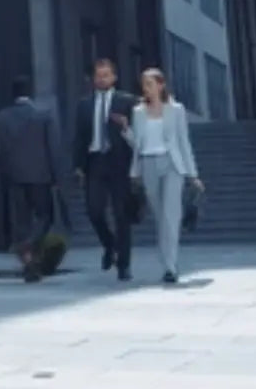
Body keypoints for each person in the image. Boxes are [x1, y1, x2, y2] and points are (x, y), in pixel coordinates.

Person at [121, 68, 203, 283]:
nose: (146, 88)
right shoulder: (138, 111)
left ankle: (170, 266)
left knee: (170, 215)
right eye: (144, 84)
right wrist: (126, 132)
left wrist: (192, 173)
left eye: (150, 84)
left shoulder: (176, 110)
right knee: (160, 216)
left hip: (171, 164)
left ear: (161, 85)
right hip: (148, 163)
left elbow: (183, 142)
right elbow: (138, 144)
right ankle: (167, 260)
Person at [0, 76, 65, 282]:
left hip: (15, 176)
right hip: (41, 176)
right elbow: (53, 148)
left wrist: (5, 174)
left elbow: (0, 151)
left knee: (21, 222)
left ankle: (30, 265)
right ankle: (30, 244)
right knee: (45, 217)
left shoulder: (2, 118)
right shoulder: (43, 115)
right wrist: (58, 177)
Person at [73, 58, 136, 281]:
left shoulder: (128, 101)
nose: (102, 79)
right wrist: (78, 166)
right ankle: (109, 244)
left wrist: (125, 126)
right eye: (98, 76)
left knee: (121, 215)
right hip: (95, 162)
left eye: (106, 75)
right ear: (93, 79)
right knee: (94, 211)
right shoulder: (84, 105)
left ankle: (124, 265)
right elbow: (79, 137)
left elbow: (139, 136)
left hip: (120, 163)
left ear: (114, 77)